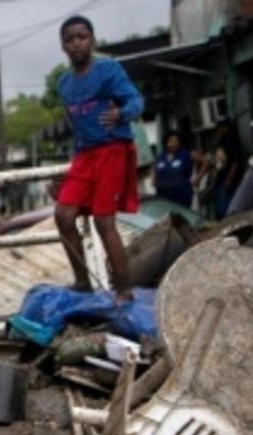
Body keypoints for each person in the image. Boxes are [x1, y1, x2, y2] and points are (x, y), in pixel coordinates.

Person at [51, 15, 143, 299]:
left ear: (92, 40)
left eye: (82, 37)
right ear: (63, 46)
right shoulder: (64, 84)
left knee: (104, 220)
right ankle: (82, 282)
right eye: (70, 39)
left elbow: (137, 101)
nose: (77, 43)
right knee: (63, 216)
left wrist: (121, 114)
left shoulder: (109, 69)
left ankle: (124, 289)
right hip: (85, 155)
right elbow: (76, 127)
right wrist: (69, 173)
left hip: (112, 149)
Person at [213, 118, 245, 217]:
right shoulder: (221, 141)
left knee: (226, 210)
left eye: (222, 127)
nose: (219, 130)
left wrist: (229, 178)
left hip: (228, 180)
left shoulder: (232, 141)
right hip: (221, 178)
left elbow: (235, 162)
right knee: (221, 209)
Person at [153, 131, 194, 208]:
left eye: (176, 141)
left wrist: (198, 179)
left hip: (182, 195)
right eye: (171, 141)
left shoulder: (185, 154)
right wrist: (154, 178)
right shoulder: (161, 156)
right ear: (166, 143)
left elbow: (205, 162)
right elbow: (155, 168)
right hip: (164, 196)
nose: (174, 143)